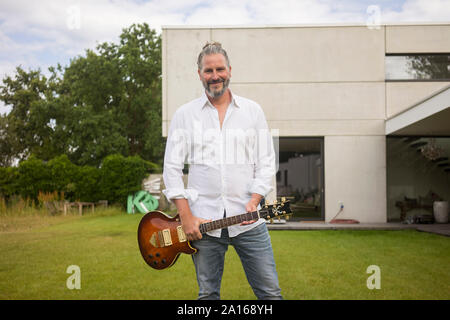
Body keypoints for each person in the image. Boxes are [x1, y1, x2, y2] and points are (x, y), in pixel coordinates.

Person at [162, 41, 282, 300]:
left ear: (230, 70)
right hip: (203, 224)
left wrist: (255, 200)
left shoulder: (253, 111)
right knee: (207, 296)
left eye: (220, 69)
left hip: (250, 224)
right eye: (208, 71)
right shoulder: (184, 115)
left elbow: (266, 161)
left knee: (271, 294)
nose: (215, 76)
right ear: (199, 74)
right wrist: (186, 217)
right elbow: (171, 168)